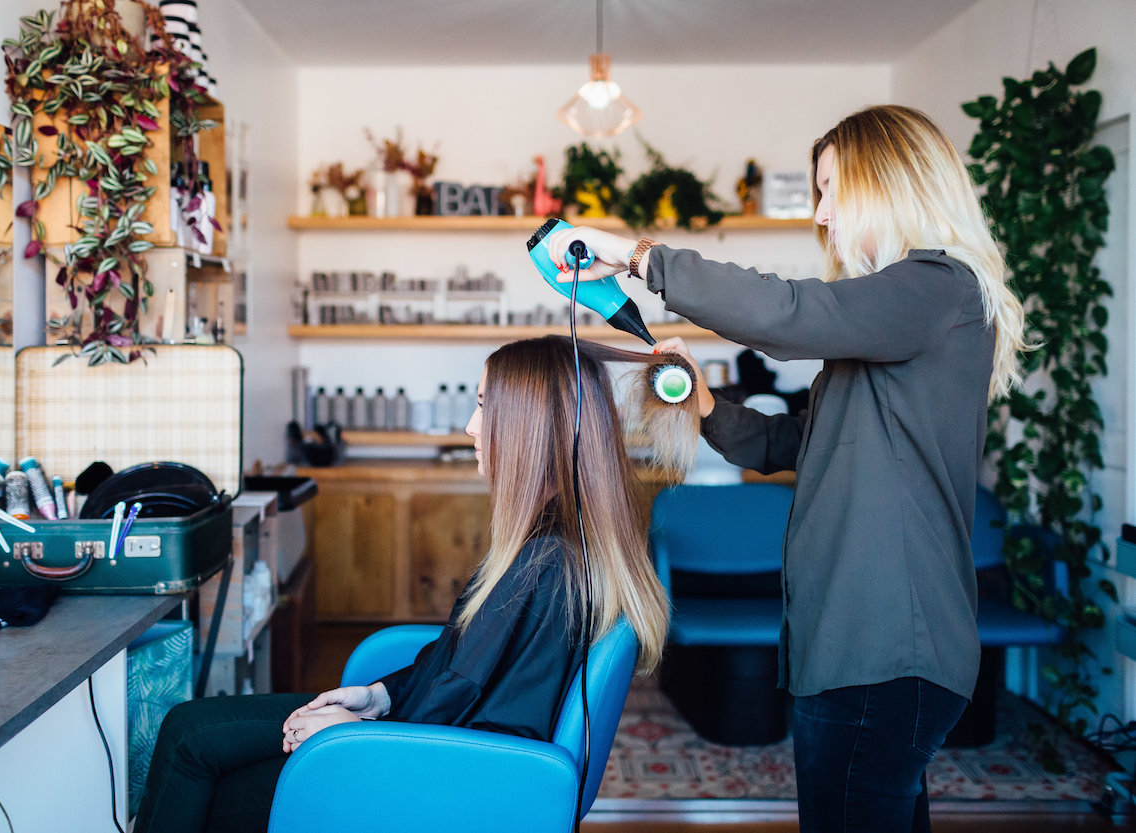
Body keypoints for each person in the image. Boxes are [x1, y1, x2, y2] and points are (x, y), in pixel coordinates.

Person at [547, 104, 1028, 833]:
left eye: (834, 190)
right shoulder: (896, 321)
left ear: (892, 183)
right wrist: (707, 405)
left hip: (884, 647)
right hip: (860, 643)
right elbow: (793, 445)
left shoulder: (938, 286)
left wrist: (642, 258)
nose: (823, 216)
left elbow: (791, 312)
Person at [132, 335, 697, 833]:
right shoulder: (558, 543)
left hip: (424, 767)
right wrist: (377, 697)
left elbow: (495, 721)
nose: (471, 427)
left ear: (530, 426)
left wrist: (357, 733)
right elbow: (459, 663)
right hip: (413, 735)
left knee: (201, 770)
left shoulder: (545, 565)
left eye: (483, 408)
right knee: (189, 728)